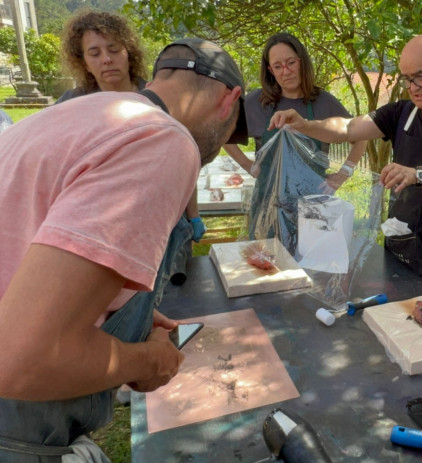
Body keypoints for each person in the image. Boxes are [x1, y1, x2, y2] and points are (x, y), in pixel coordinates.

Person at [0, 38, 246, 461]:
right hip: (18, 425)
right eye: (232, 129)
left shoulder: (73, 116)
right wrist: (147, 362)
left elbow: (28, 247)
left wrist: (117, 304)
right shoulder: (162, 139)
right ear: (230, 101)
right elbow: (20, 360)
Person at [269, 33, 422, 304]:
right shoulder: (402, 112)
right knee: (400, 314)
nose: (414, 87)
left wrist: (416, 174)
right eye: (406, 78)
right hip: (403, 238)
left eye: (421, 76)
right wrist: (304, 125)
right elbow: (348, 128)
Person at [58, 10, 207, 245]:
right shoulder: (71, 105)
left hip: (160, 217)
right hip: (96, 222)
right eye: (94, 53)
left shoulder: (158, 98)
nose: (106, 59)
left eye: (114, 49)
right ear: (84, 62)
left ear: (129, 52)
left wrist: (194, 215)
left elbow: (182, 160)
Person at [222, 32, 366, 243]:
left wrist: (343, 173)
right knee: (267, 268)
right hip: (267, 210)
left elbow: (361, 137)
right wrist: (247, 165)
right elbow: (223, 134)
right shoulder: (257, 103)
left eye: (291, 63)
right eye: (278, 66)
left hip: (313, 209)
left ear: (302, 62)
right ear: (270, 70)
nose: (286, 72)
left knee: (312, 267)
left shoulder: (324, 103)